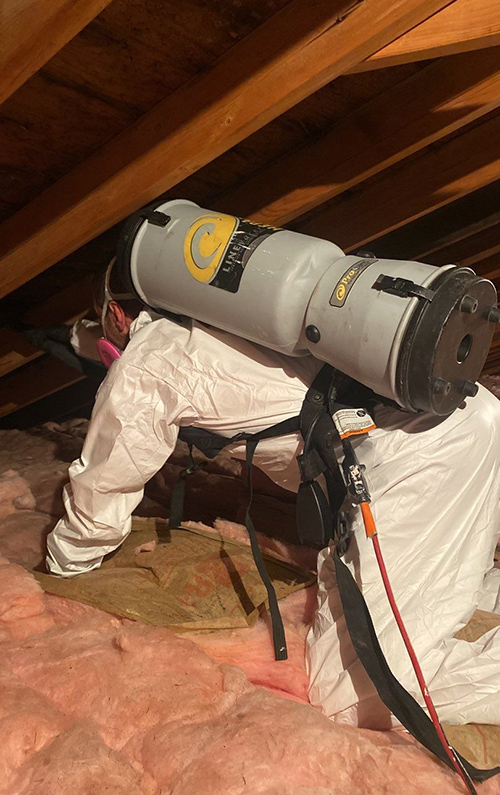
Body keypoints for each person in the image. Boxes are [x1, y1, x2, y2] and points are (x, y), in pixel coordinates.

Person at [46, 261, 500, 729]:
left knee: (350, 693)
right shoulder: (237, 312)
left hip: (424, 455)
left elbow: (104, 487)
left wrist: (62, 568)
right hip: (466, 411)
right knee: (449, 575)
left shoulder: (149, 361)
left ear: (116, 315)